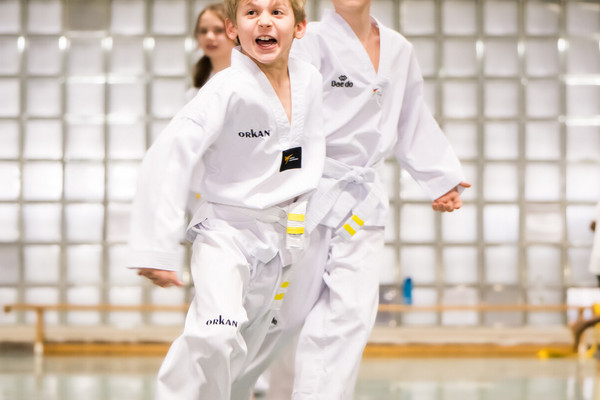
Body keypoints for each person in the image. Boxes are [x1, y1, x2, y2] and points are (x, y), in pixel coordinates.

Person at [234, 0, 471, 398]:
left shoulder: (399, 49)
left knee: (351, 315)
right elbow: (283, 118)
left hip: (361, 202)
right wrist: (275, 182)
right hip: (304, 196)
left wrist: (440, 177)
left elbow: (411, 117)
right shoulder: (309, 41)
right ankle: (223, 389)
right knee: (282, 319)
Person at [127, 0, 324, 397]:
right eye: (251, 13)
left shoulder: (311, 81)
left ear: (299, 28)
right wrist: (155, 250)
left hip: (282, 238)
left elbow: (299, 155)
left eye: (277, 12)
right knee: (215, 334)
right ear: (235, 30)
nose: (264, 20)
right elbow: (168, 156)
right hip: (226, 234)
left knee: (249, 352)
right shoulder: (226, 87)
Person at [187, 3, 236, 101]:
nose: (209, 37)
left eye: (218, 30)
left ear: (235, 33)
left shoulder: (250, 77)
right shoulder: (198, 84)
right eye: (203, 31)